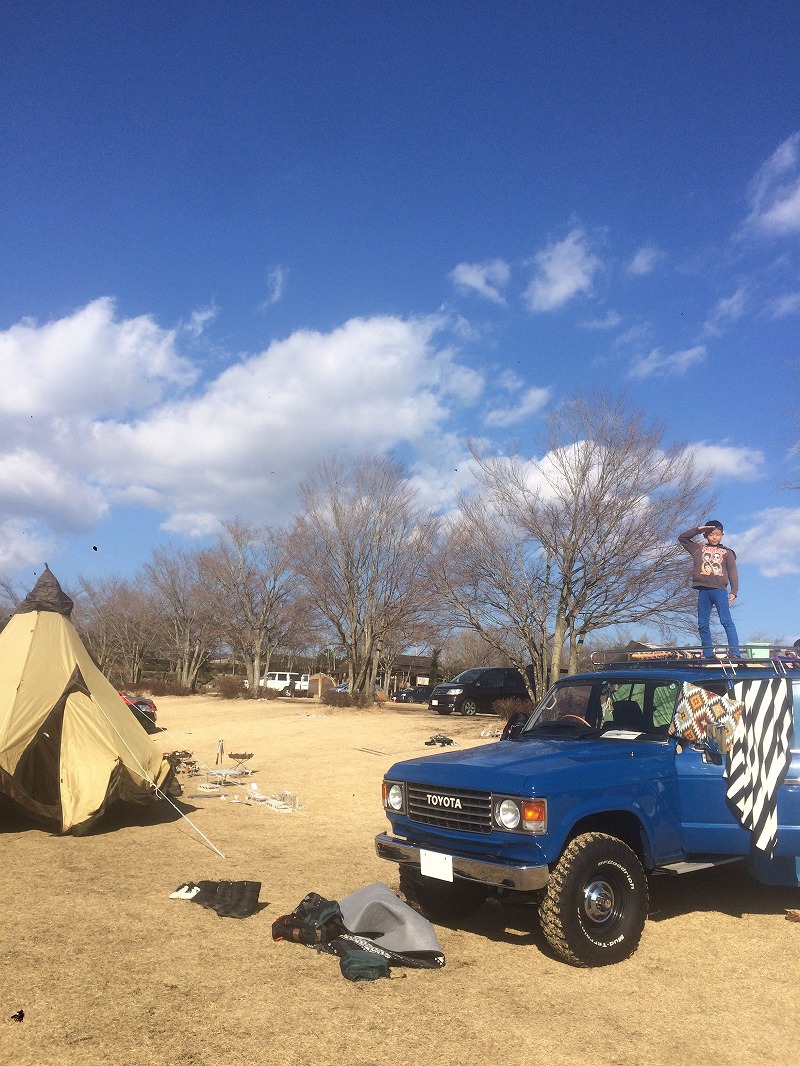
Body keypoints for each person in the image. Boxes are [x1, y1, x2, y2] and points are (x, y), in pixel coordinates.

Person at [679, 520, 740, 655]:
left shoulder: (727, 552)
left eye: (717, 534)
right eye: (711, 534)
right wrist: (700, 529)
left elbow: (733, 572)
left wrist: (734, 591)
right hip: (703, 591)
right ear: (706, 535)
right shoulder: (698, 549)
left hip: (719, 590)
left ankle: (734, 652)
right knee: (702, 624)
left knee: (726, 620)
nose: (714, 537)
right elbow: (682, 538)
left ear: (722, 535)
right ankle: (708, 654)